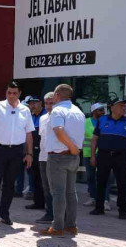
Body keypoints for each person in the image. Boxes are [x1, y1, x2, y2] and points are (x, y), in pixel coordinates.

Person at [0, 82, 35, 225]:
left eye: (14, 93)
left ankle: (4, 215)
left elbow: (29, 134)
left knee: (10, 185)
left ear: (20, 93)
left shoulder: (25, 111)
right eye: (9, 92)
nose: (11, 95)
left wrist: (29, 154)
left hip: (16, 152)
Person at [40, 84, 85, 236]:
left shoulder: (57, 110)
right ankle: (71, 225)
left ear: (57, 95)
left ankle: (57, 227)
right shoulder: (78, 111)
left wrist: (71, 146)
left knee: (58, 193)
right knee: (71, 193)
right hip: (73, 156)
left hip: (59, 156)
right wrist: (74, 148)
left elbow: (58, 131)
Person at [90, 99, 126, 220]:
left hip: (121, 156)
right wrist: (93, 155)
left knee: (122, 184)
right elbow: (94, 139)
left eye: (124, 106)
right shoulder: (102, 120)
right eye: (121, 105)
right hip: (104, 155)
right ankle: (99, 208)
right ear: (112, 107)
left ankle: (122, 210)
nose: (123, 108)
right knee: (101, 182)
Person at [82, 103, 108, 209]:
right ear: (94, 111)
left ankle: (105, 200)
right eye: (100, 110)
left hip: (102, 153)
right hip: (88, 153)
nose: (103, 112)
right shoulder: (86, 122)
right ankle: (92, 197)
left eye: (103, 110)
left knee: (104, 177)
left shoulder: (106, 121)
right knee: (90, 177)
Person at [35, 92, 55, 224]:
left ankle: (59, 214)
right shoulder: (42, 118)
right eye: (46, 103)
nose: (48, 106)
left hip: (55, 157)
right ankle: (49, 213)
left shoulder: (60, 117)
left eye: (51, 103)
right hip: (43, 157)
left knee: (56, 188)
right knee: (46, 187)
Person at [24, 96, 46, 210]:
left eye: (34, 103)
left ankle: (48, 203)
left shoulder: (46, 115)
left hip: (45, 151)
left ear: (40, 103)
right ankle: (38, 202)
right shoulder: (30, 117)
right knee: (35, 177)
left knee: (45, 178)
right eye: (30, 104)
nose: (32, 105)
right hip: (33, 151)